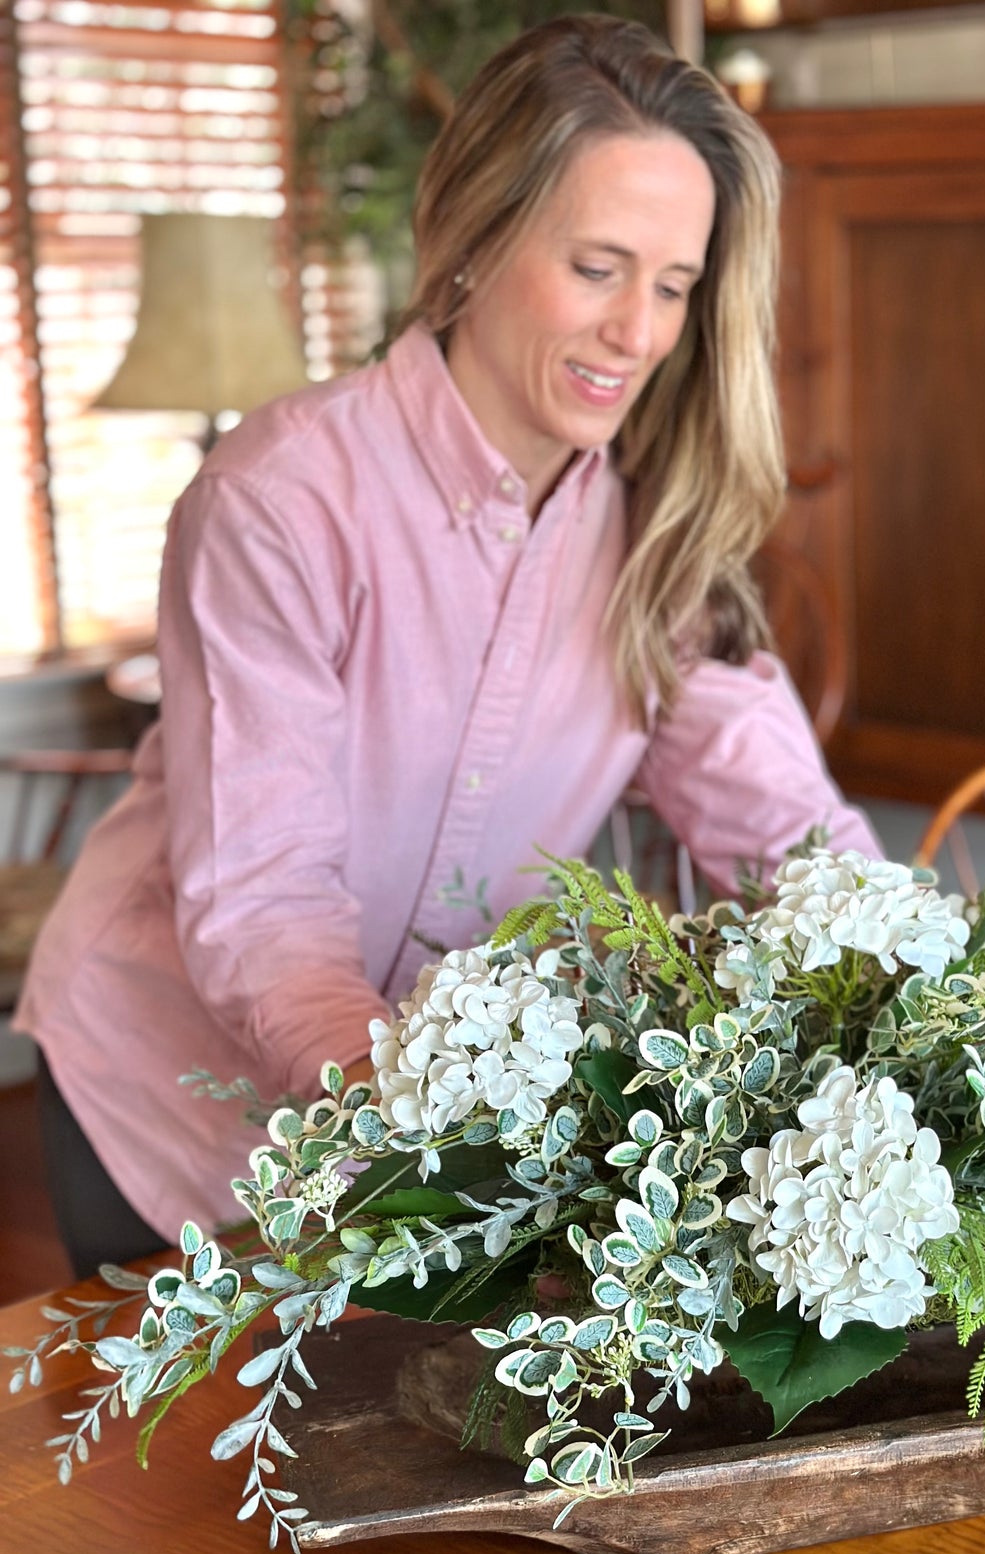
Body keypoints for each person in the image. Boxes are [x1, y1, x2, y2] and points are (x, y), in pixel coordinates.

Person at [17, 15, 880, 1280]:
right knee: (189, 1473)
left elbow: (784, 832)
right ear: (477, 239)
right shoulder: (281, 500)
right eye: (596, 267)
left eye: (672, 286)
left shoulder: (652, 527)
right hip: (175, 1100)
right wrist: (426, 1133)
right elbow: (264, 899)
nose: (637, 332)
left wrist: (936, 1012)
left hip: (434, 1142)